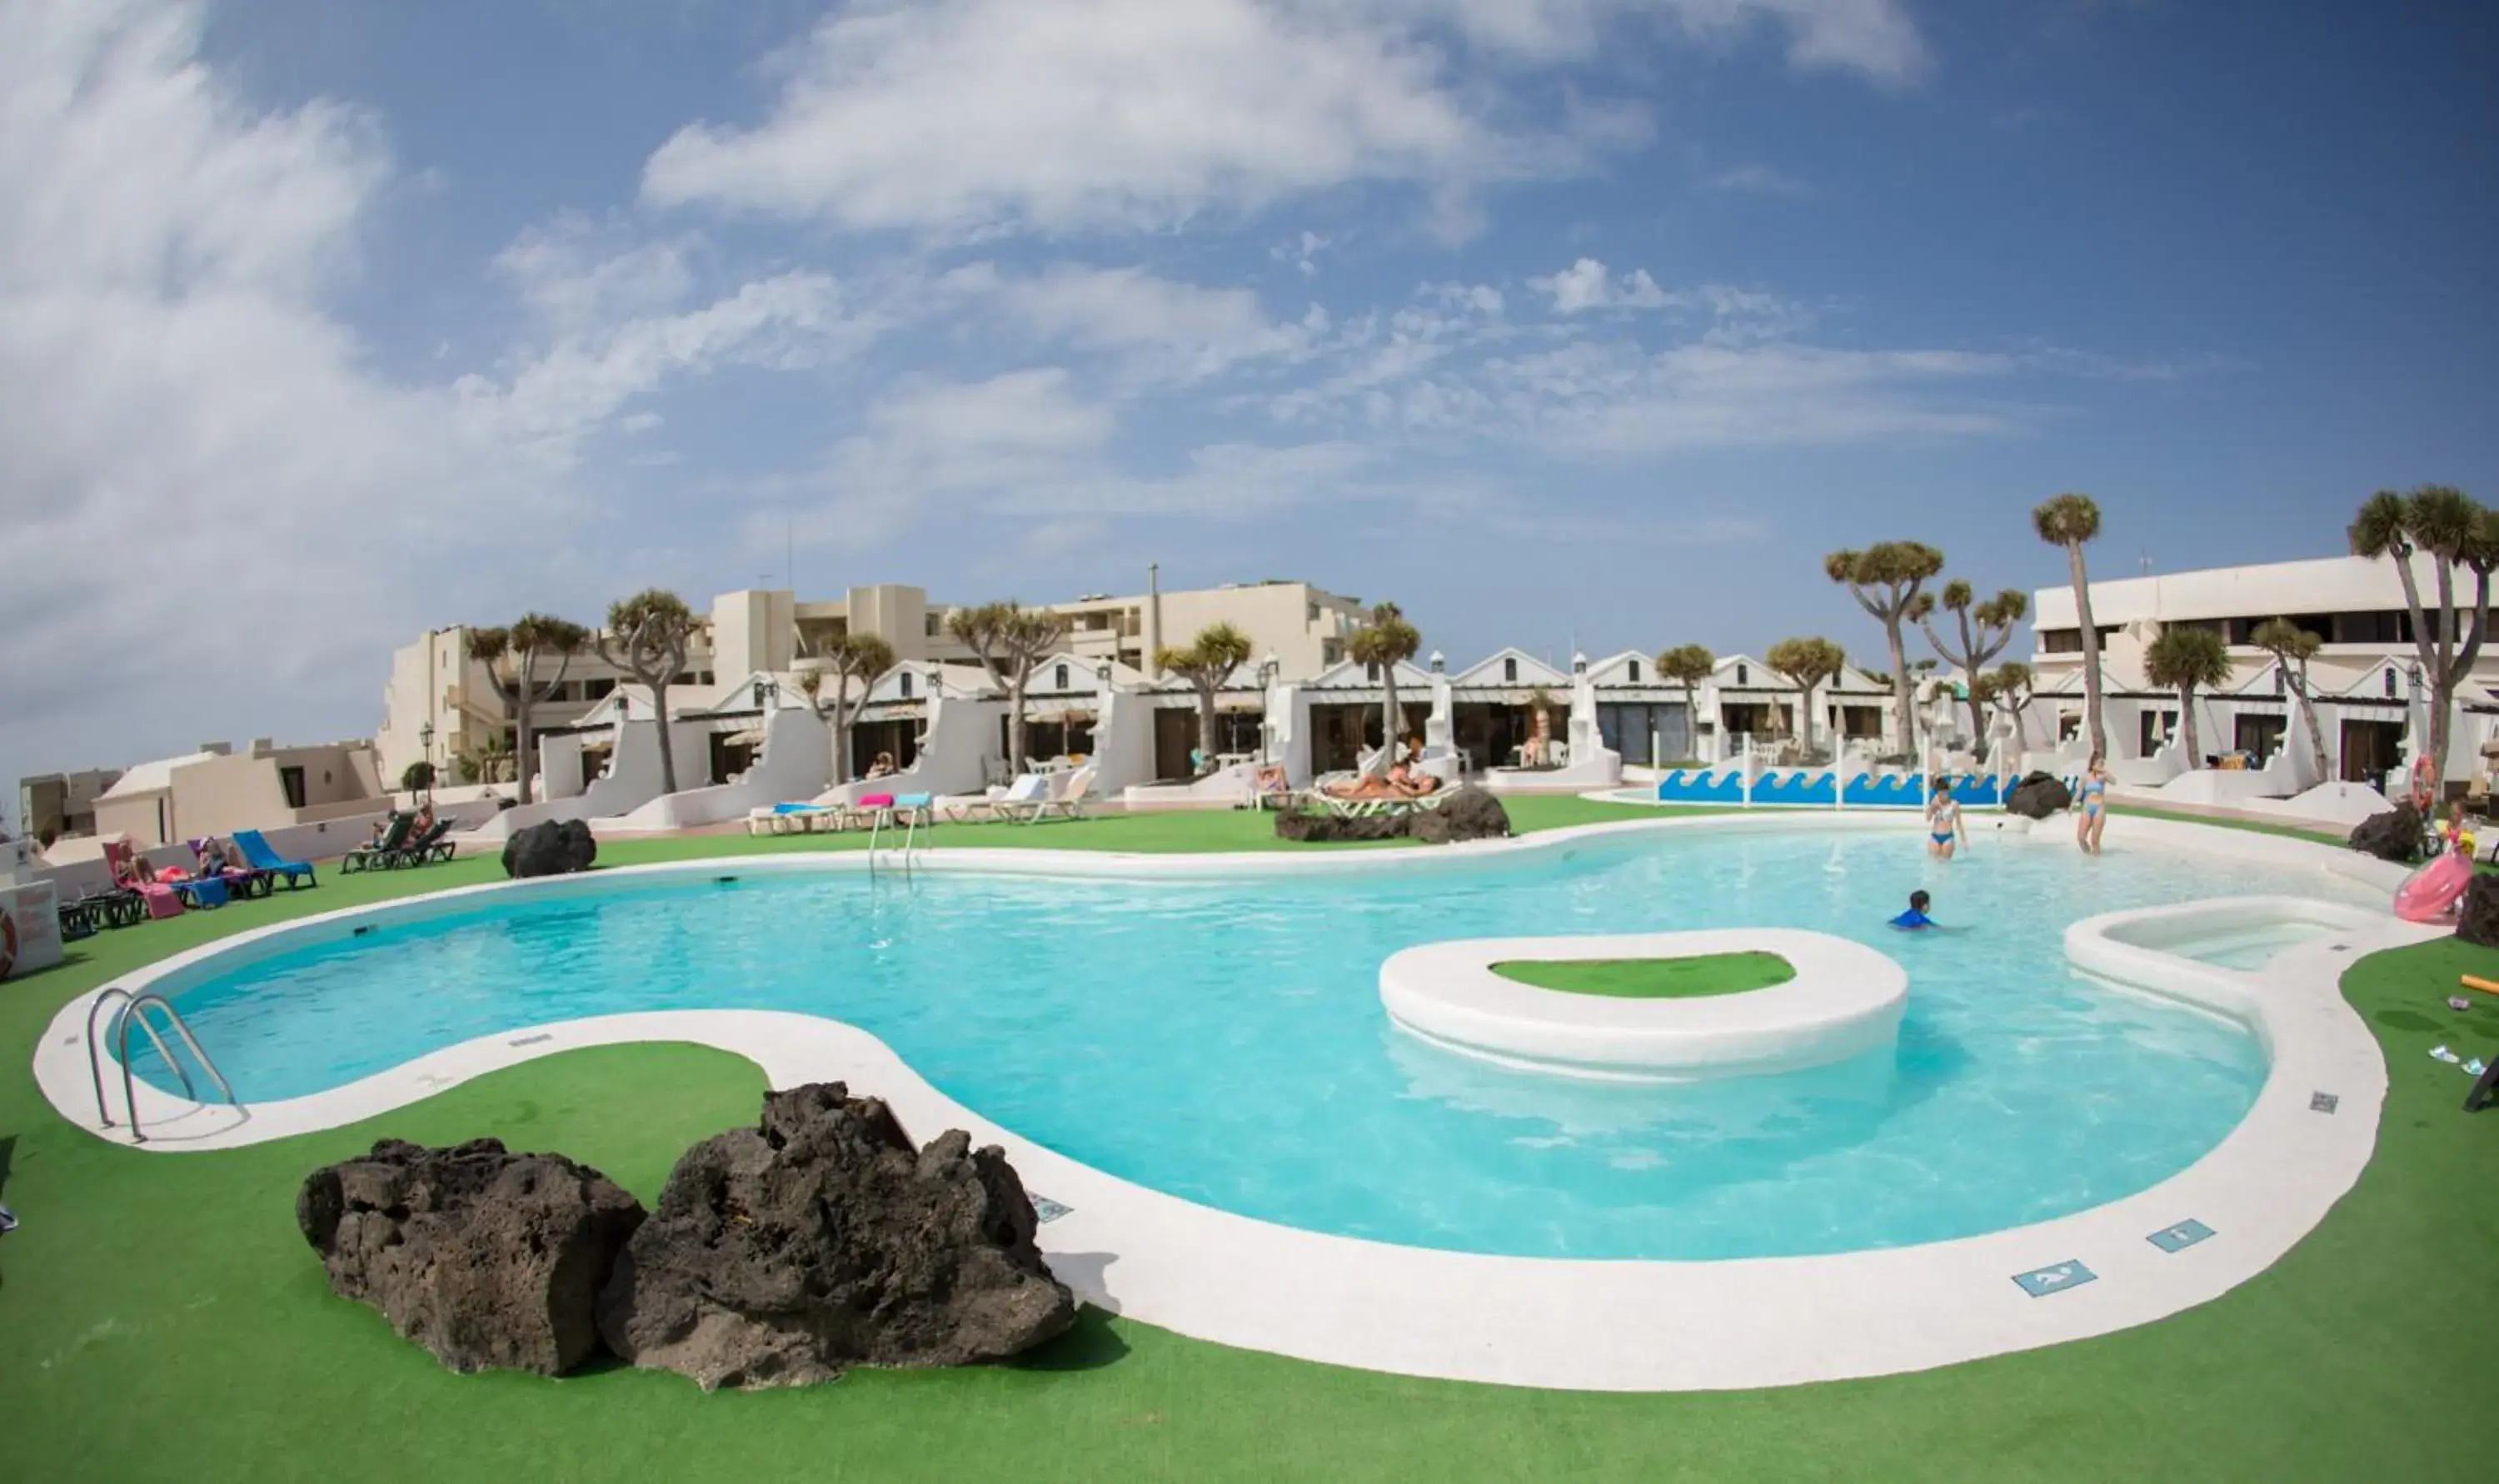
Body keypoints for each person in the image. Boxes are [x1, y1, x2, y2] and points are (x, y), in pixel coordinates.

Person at [2075, 754, 2111, 855]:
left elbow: (2114, 781)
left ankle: (2096, 865)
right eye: (2100, 763)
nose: (2101, 765)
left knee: (2095, 841)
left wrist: (2104, 771)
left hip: (2099, 808)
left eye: (2102, 763)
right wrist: (2071, 803)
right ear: (2093, 763)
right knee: (2081, 837)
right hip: (2087, 807)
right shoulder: (2085, 775)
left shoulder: (2103, 776)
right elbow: (2079, 792)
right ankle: (2087, 857)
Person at [1925, 776, 1962, 860]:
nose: (1943, 797)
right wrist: (1932, 807)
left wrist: (1964, 840)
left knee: (1946, 863)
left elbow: (1959, 824)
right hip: (1935, 836)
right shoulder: (1934, 802)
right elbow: (1928, 819)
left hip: (1948, 836)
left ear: (1948, 792)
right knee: (1934, 862)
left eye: (1945, 794)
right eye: (1940, 794)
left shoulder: (1954, 804)